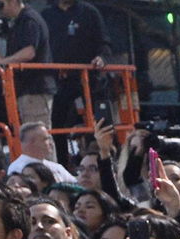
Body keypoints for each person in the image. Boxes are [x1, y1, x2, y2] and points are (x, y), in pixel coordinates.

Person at [42, 0, 110, 167]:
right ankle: (62, 165)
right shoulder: (47, 15)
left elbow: (104, 43)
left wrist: (101, 58)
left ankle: (104, 160)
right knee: (56, 124)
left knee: (99, 122)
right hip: (59, 80)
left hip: (89, 78)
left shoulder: (89, 12)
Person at [0, 0, 55, 127]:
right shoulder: (18, 22)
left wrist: (1, 60)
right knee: (27, 135)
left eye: (1, 4)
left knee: (37, 134)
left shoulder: (29, 20)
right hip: (24, 89)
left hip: (35, 89)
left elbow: (29, 51)